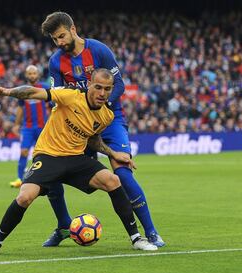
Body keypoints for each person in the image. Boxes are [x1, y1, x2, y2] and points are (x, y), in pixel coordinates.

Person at [0, 69, 158, 256]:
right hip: (48, 155)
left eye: (107, 89)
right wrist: (7, 91)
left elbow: (93, 139)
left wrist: (113, 153)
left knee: (113, 181)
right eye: (98, 87)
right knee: (24, 197)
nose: (102, 93)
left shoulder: (106, 115)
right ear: (89, 84)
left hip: (75, 158)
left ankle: (136, 238)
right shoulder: (70, 96)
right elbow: (33, 92)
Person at [40, 12, 165, 247]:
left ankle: (151, 232)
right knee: (51, 169)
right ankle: (64, 225)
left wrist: (101, 106)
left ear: (73, 29)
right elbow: (57, 99)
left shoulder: (99, 50)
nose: (59, 43)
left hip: (110, 119)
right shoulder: (56, 62)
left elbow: (119, 84)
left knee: (123, 172)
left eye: (61, 36)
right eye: (55, 39)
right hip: (77, 123)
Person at [9, 65, 50, 188]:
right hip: (27, 127)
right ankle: (20, 179)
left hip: (42, 126)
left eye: (34, 73)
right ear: (26, 75)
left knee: (45, 153)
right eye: (30, 73)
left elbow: (53, 105)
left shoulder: (44, 88)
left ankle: (47, 178)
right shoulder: (23, 90)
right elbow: (21, 108)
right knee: (23, 152)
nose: (32, 75)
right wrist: (16, 124)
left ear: (38, 75)